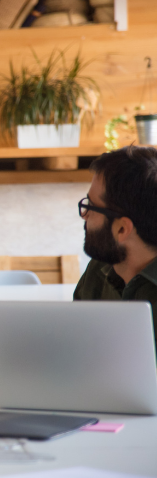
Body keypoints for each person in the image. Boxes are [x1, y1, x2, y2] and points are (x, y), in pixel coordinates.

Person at [74, 145, 157, 344]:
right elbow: (76, 343)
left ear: (122, 229)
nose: (84, 215)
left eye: (90, 207)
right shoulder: (99, 267)